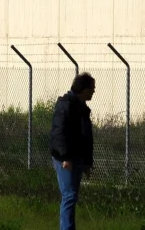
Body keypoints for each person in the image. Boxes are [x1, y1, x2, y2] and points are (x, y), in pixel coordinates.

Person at [50, 73, 96, 230]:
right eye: (92, 88)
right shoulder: (66, 105)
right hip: (66, 159)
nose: (94, 91)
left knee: (72, 196)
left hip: (77, 158)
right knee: (69, 195)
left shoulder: (82, 108)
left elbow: (86, 136)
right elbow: (59, 133)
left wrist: (87, 162)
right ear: (84, 89)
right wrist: (65, 157)